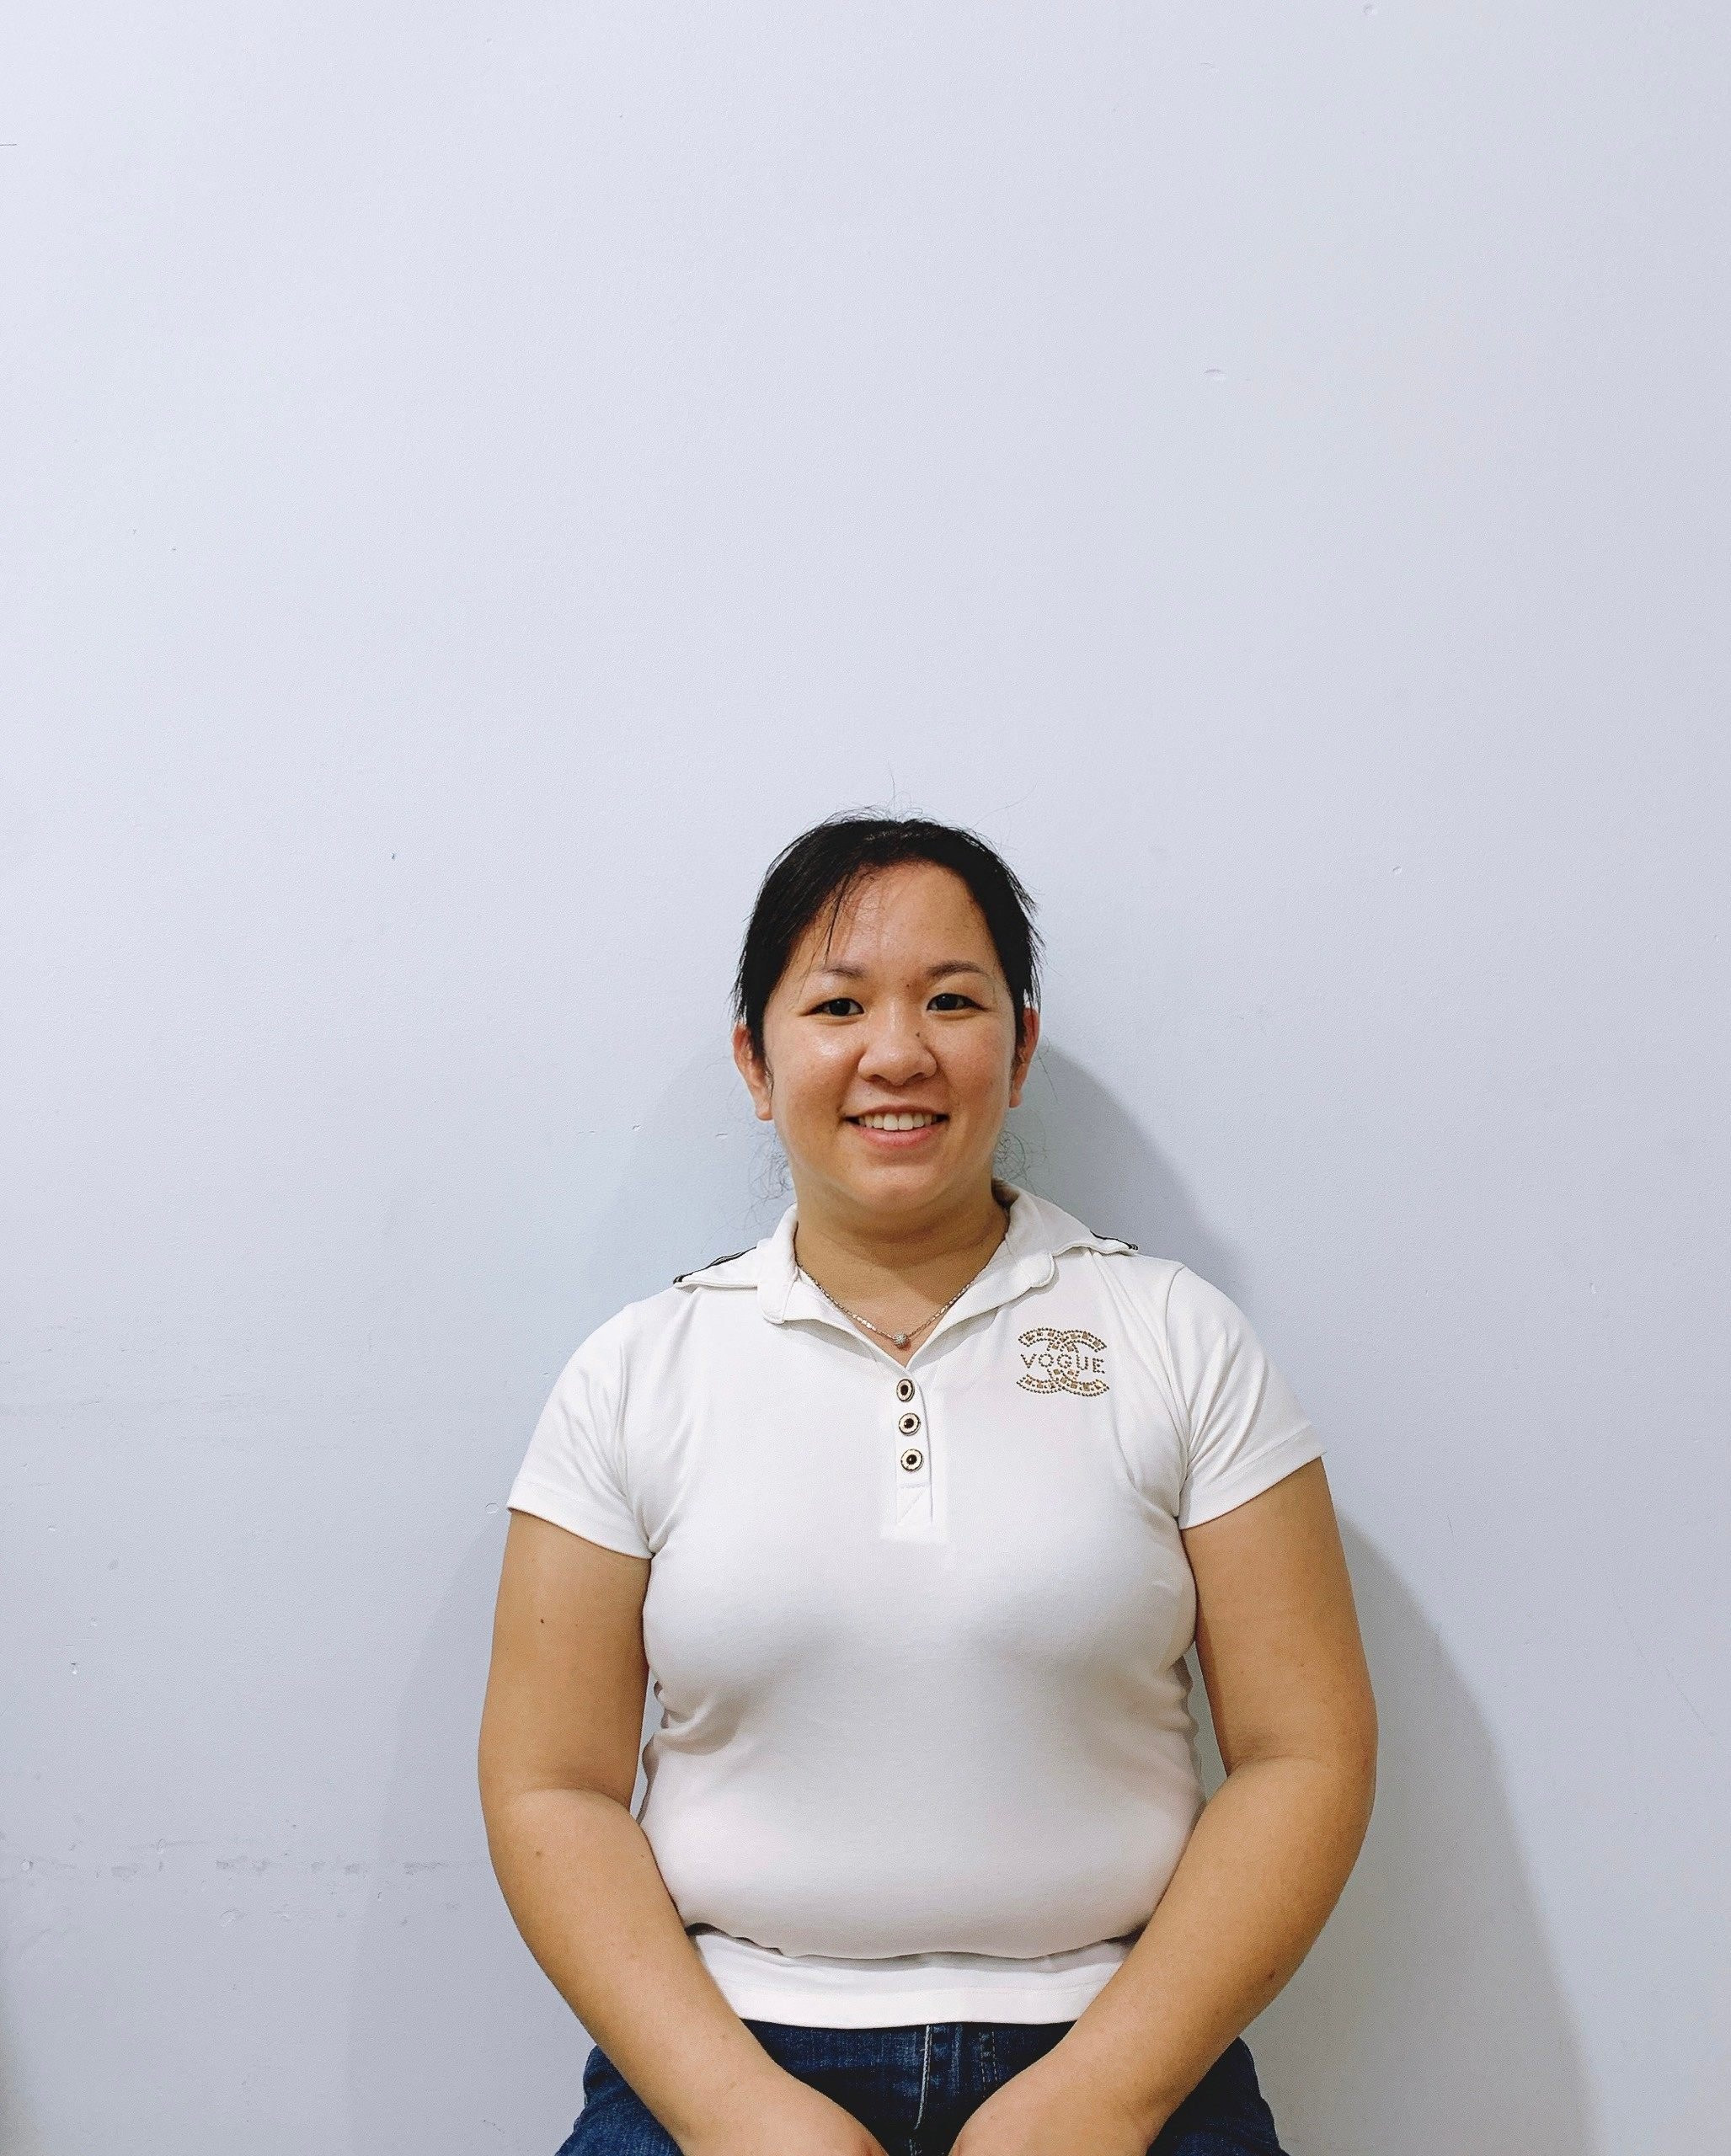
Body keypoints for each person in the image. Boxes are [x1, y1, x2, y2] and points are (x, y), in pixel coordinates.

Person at [478, 812, 1378, 2156]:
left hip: (1121, 2050)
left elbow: (1306, 1751)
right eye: (838, 1004)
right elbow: (548, 1783)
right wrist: (736, 2114)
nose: (896, 1053)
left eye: (951, 1002)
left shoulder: (1177, 1336)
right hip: (726, 2056)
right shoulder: (636, 1372)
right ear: (755, 1059)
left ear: (1019, 1049)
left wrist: (1103, 2097)